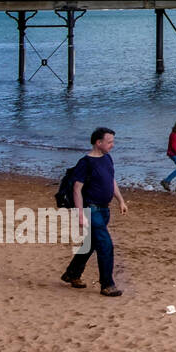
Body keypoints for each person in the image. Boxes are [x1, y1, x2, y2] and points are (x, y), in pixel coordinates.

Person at [61, 127, 127, 297]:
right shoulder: (86, 163)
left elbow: (111, 181)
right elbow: (77, 189)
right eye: (109, 141)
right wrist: (81, 214)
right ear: (98, 143)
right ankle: (107, 285)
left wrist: (120, 200)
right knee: (105, 245)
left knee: (90, 244)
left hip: (104, 209)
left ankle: (72, 274)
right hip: (91, 209)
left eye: (113, 141)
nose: (112, 145)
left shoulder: (107, 158)